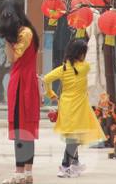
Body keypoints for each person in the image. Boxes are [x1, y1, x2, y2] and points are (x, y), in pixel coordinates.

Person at [43, 40, 106, 178]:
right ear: (81, 54)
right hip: (79, 107)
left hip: (66, 106)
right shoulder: (85, 67)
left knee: (72, 135)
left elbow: (46, 79)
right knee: (75, 138)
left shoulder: (63, 68)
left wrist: (51, 94)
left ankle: (75, 164)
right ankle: (65, 166)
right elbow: (84, 66)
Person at [0, 0, 40, 184]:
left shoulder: (24, 33)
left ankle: (21, 173)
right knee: (24, 129)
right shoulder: (27, 32)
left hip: (23, 84)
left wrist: (7, 40)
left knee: (22, 129)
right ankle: (25, 173)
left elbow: (13, 57)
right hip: (24, 82)